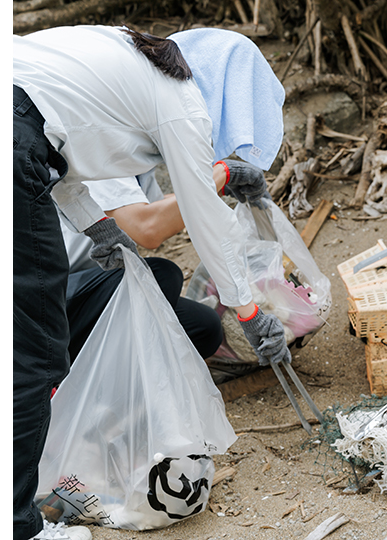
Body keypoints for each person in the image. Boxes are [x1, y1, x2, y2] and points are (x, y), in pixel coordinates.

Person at [14, 25, 287, 540]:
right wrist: (249, 312)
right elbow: (207, 218)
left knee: (38, 342)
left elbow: (63, 167)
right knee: (33, 352)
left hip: (12, 129)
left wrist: (98, 231)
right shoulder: (179, 101)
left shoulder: (120, 75)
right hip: (10, 136)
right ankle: (16, 524)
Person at [61, 159, 270, 365]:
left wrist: (218, 189)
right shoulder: (100, 151)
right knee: (162, 275)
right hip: (55, 302)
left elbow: (155, 207)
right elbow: (148, 228)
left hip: (93, 292)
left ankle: (110, 378)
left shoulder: (138, 161)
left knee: (204, 328)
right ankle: (61, 376)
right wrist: (220, 176)